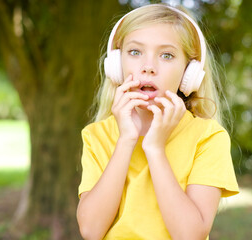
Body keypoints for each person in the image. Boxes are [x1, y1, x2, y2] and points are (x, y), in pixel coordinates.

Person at [77, 3, 239, 240]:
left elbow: (190, 236)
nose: (149, 67)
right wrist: (126, 140)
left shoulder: (208, 137)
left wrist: (155, 148)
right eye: (135, 52)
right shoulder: (96, 135)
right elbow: (91, 230)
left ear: (189, 73)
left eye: (166, 55)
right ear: (116, 66)